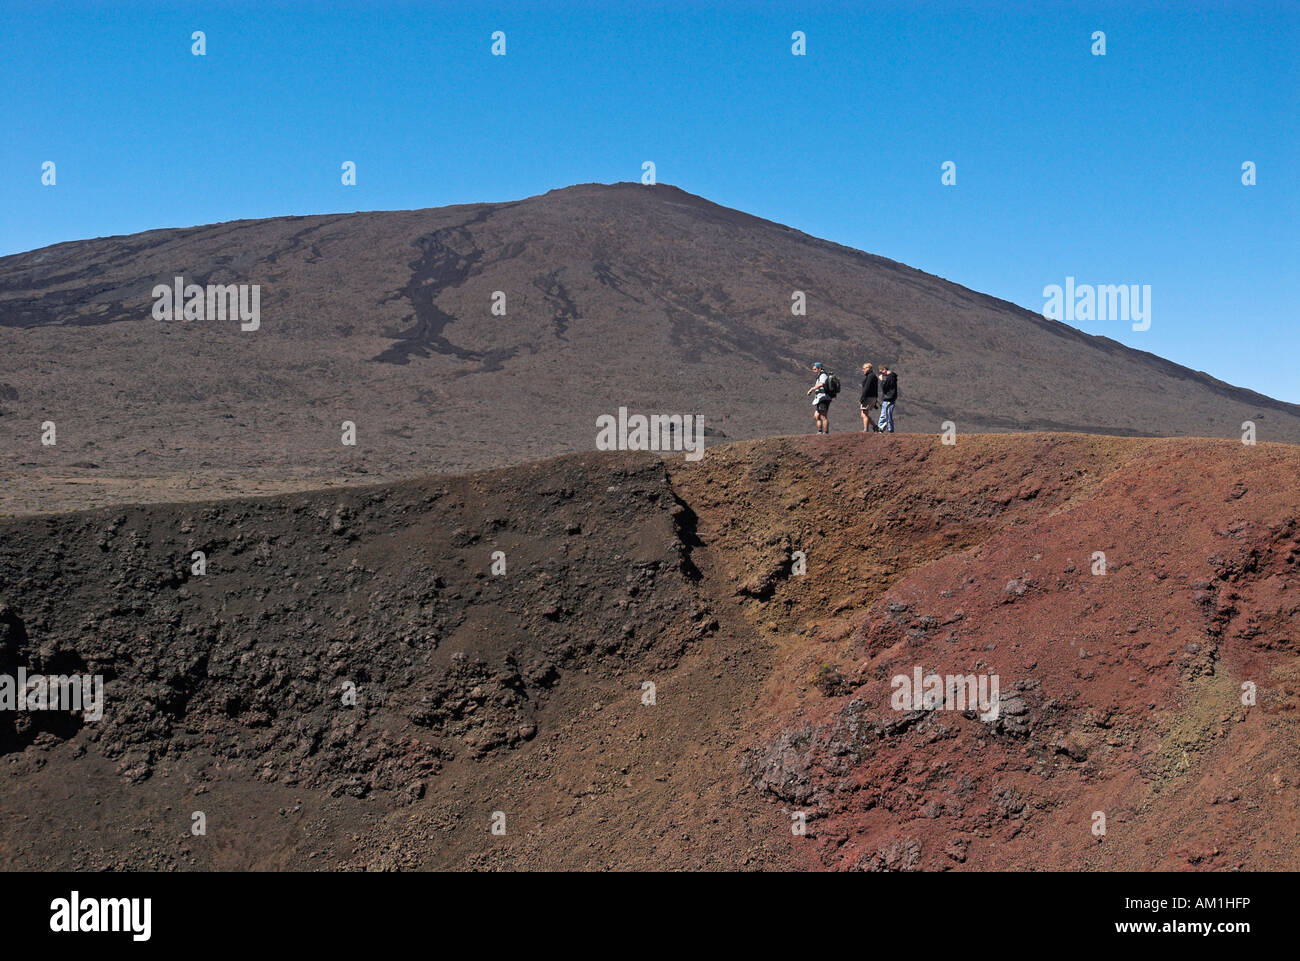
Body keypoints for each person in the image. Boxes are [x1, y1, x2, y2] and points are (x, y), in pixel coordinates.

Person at [806, 362, 831, 434]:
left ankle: (825, 432)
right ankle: (820, 431)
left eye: (815, 369)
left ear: (819, 368)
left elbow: (821, 384)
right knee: (816, 416)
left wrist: (812, 389)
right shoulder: (819, 376)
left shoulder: (823, 375)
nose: (813, 370)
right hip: (819, 398)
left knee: (823, 416)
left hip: (824, 398)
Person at [877, 364, 898, 432]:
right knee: (885, 414)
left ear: (884, 370)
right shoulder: (892, 377)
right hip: (889, 399)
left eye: (881, 372)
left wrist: (882, 380)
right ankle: (884, 429)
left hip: (889, 399)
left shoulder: (890, 377)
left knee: (886, 415)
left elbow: (884, 387)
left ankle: (886, 429)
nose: (881, 374)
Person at [859, 362, 879, 432]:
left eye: (864, 368)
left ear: (868, 368)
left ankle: (866, 429)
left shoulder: (870, 376)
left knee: (864, 414)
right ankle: (875, 426)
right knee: (864, 414)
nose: (863, 370)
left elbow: (866, 388)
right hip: (872, 397)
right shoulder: (873, 376)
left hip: (868, 397)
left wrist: (862, 398)